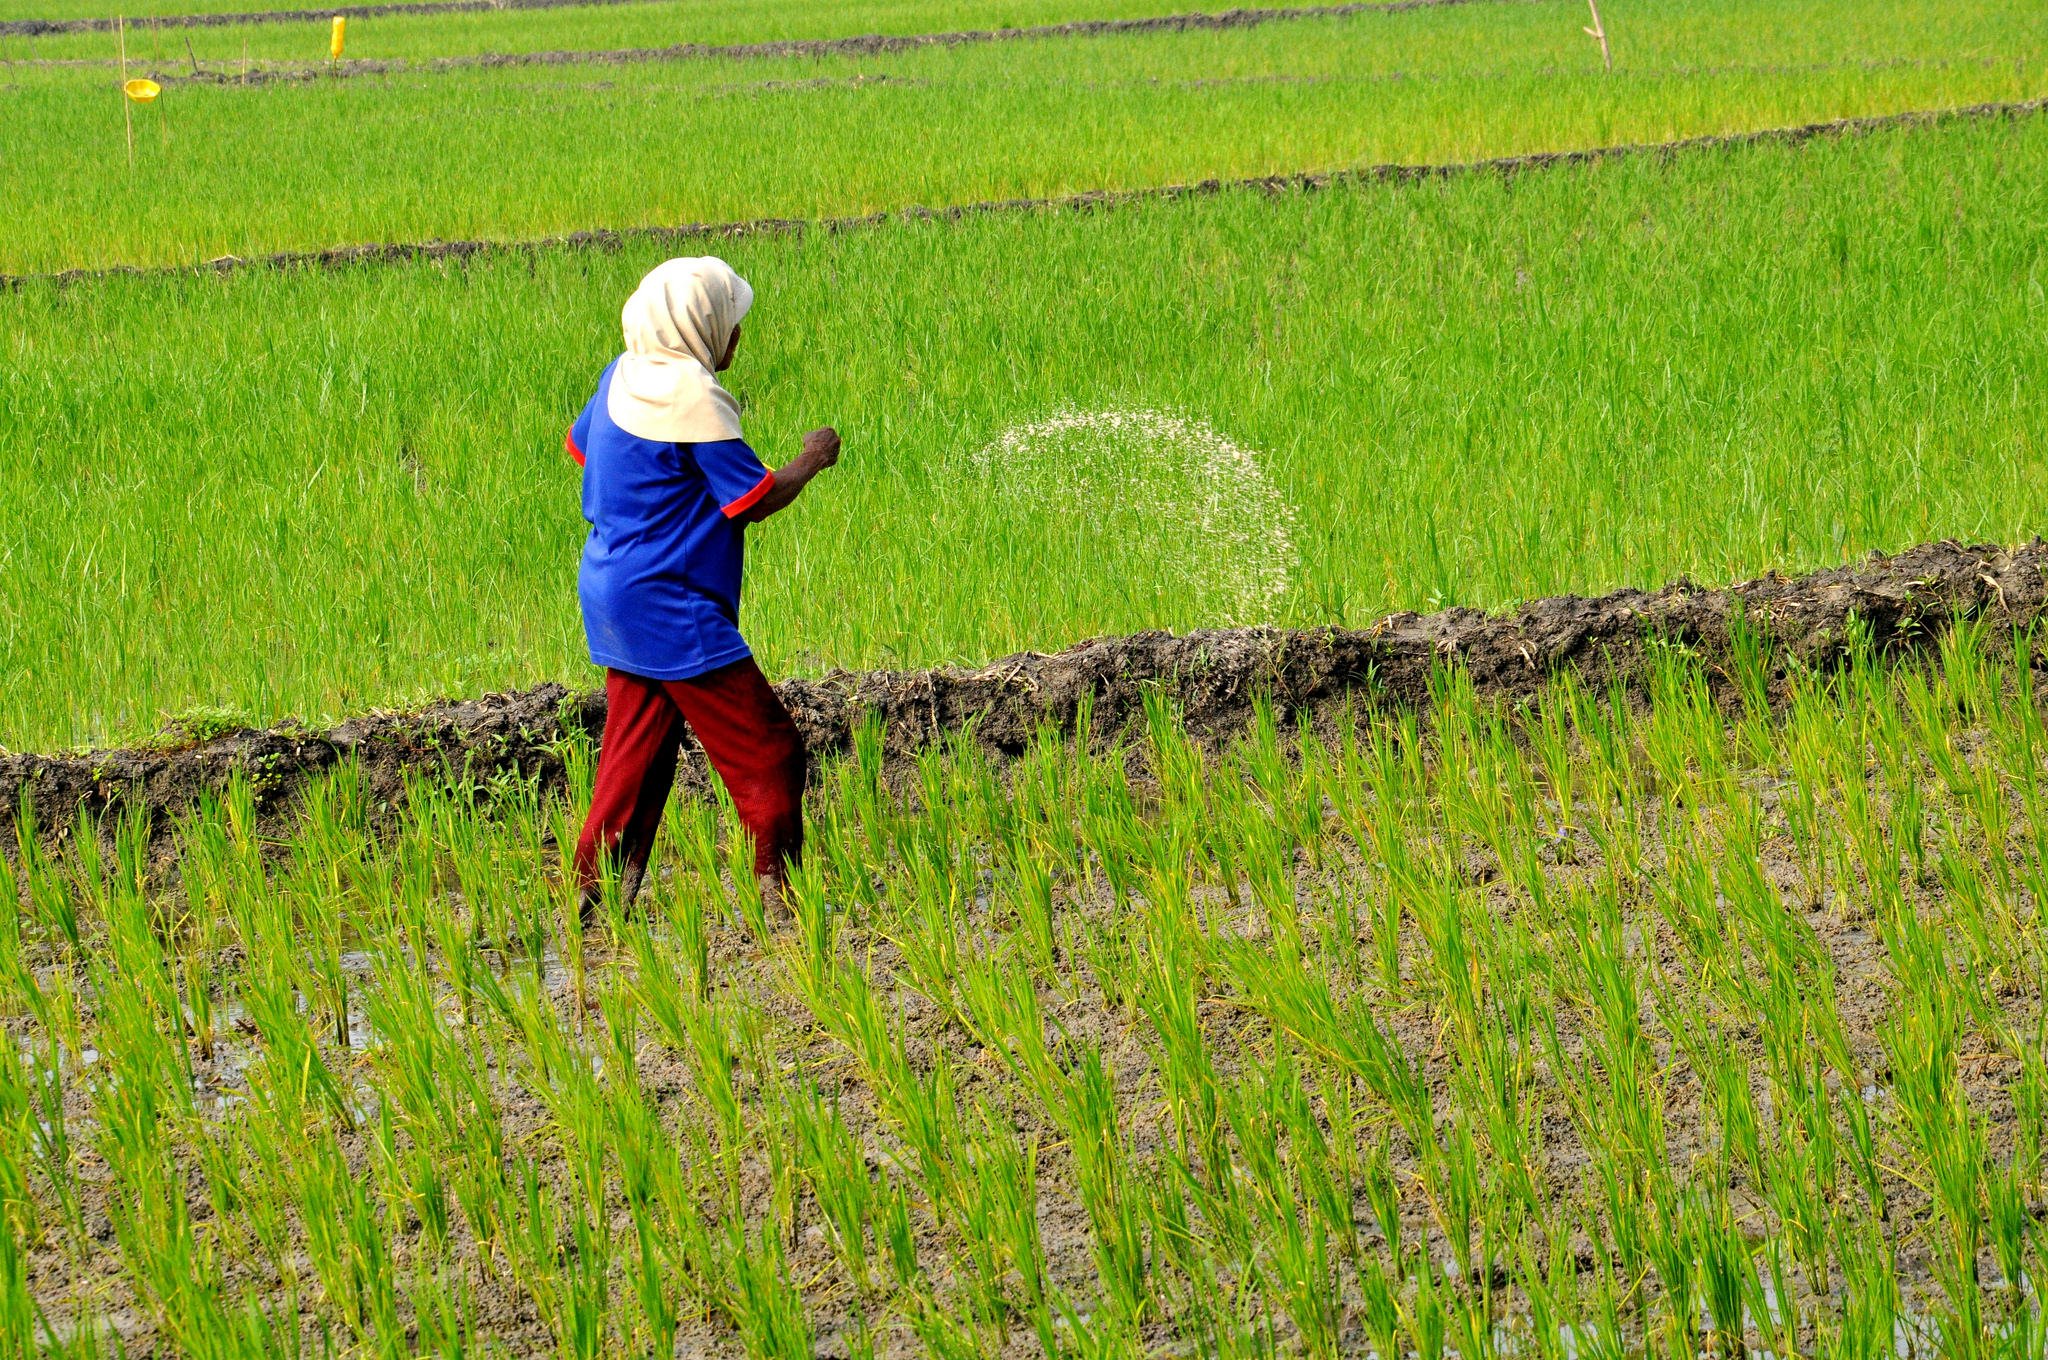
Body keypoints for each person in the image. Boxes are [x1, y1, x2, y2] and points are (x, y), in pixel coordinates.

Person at [564, 256, 840, 920]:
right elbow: (751, 499)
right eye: (731, 323)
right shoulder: (692, 396)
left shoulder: (621, 376)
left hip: (612, 590)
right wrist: (810, 460)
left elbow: (581, 448)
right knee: (770, 751)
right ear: (698, 323)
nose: (736, 337)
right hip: (672, 603)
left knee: (638, 759)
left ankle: (592, 905)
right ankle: (783, 902)